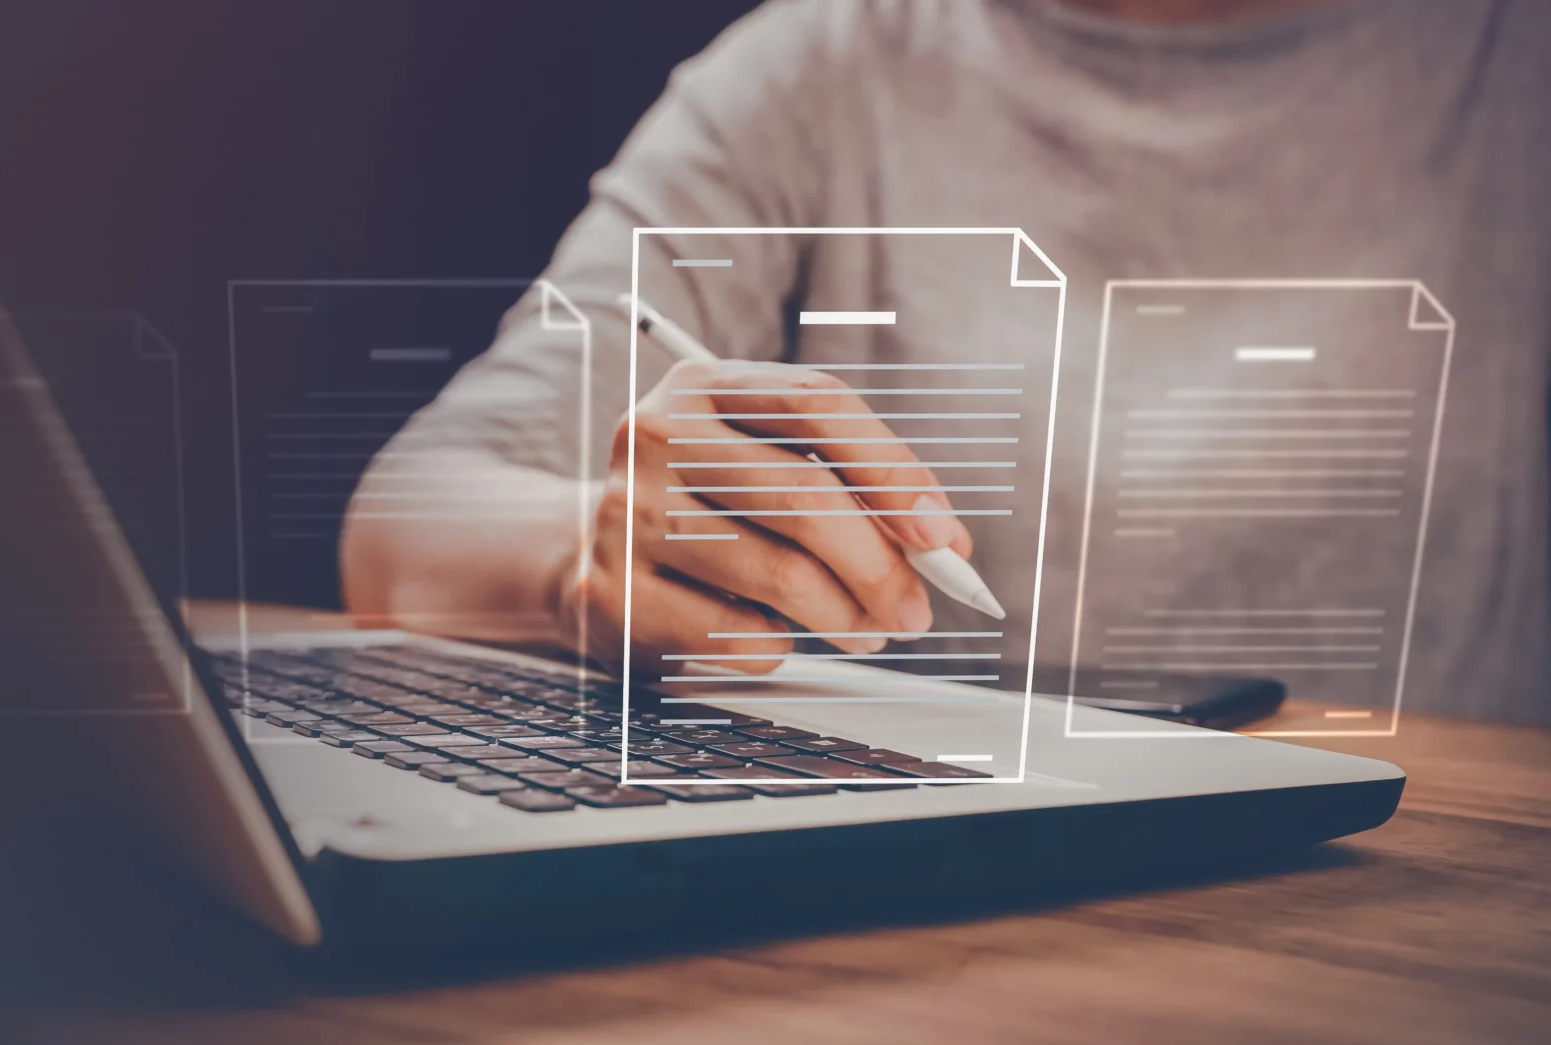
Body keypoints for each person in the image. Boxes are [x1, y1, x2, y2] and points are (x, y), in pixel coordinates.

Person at [341, 0, 1551, 722]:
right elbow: (407, 520)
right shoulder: (831, 61)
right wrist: (581, 559)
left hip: (1426, 915)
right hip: (943, 915)